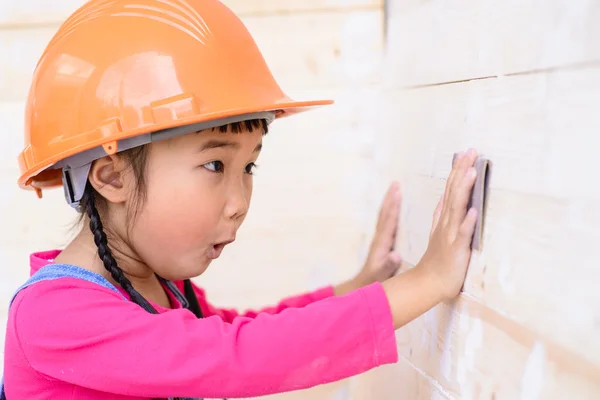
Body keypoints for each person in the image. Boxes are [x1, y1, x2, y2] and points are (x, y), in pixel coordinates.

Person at [1, 0, 480, 399]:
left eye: (248, 167)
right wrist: (427, 282)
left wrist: (361, 284)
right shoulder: (53, 316)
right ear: (111, 178)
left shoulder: (157, 287)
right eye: (215, 166)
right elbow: (240, 354)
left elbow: (251, 329)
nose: (239, 202)